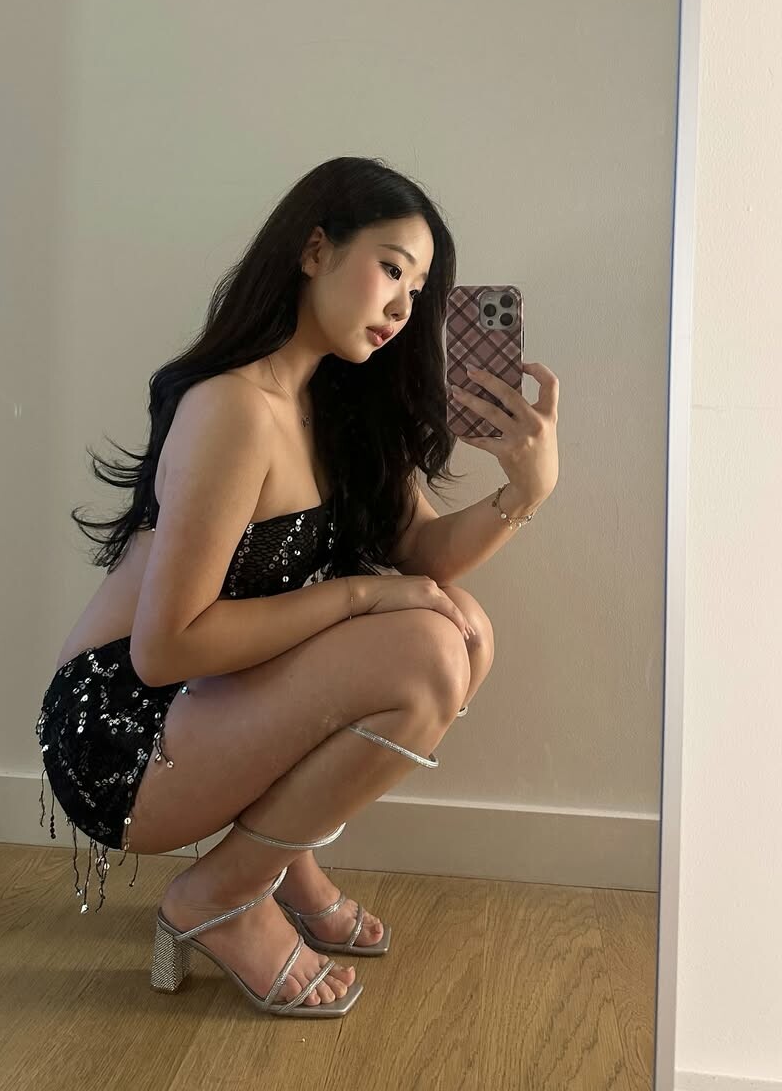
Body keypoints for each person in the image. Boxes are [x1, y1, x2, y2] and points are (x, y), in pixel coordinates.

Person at [35, 154, 557, 1018]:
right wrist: (361, 596)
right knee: (427, 653)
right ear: (315, 251)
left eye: (418, 290)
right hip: (122, 727)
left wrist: (523, 493)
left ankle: (280, 866)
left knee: (463, 627)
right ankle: (220, 897)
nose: (403, 306)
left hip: (206, 703)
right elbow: (164, 650)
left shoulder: (339, 406)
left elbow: (423, 552)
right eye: (391, 268)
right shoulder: (233, 409)